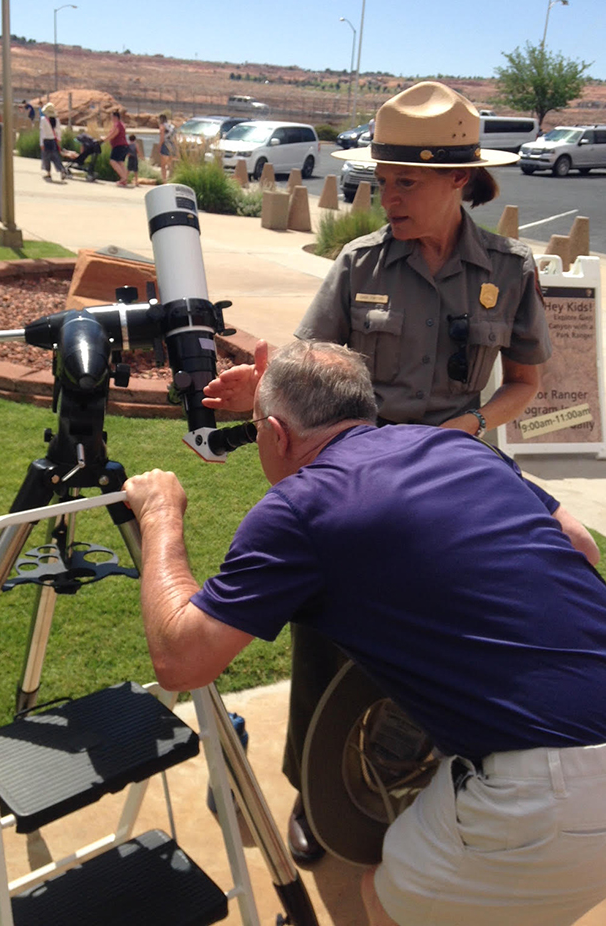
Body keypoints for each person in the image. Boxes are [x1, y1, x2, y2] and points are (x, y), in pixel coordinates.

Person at [125, 340, 606, 926]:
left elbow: (181, 659)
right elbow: (583, 546)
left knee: (381, 897)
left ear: (274, 433)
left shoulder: (299, 506)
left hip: (554, 796)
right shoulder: (456, 445)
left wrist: (160, 515)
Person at [203, 80, 554, 863]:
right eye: (381, 176)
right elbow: (301, 365)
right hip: (356, 487)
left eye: (406, 181)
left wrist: (470, 424)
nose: (383, 194)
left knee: (449, 646)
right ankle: (313, 795)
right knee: (329, 641)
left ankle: (418, 786)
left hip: (455, 484)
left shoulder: (507, 266)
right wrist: (253, 395)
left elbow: (526, 382)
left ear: (459, 180)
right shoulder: (360, 264)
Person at [39, 102, 66, 182]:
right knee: (56, 157)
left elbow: (42, 132)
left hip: (46, 141)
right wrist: (58, 139)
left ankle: (48, 173)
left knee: (46, 158)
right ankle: (61, 170)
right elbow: (58, 131)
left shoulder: (43, 120)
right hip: (53, 140)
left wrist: (41, 143)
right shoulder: (56, 120)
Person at [104, 109, 129, 186]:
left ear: (115, 117)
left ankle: (123, 177)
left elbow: (114, 134)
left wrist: (105, 139)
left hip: (119, 146)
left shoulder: (117, 125)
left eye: (112, 117)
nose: (111, 119)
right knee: (120, 163)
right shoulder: (121, 124)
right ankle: (124, 180)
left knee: (113, 161)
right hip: (123, 146)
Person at [158, 112, 176, 182]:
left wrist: (159, 146)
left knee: (163, 165)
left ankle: (164, 180)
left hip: (165, 145)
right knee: (170, 165)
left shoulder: (162, 126)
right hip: (172, 145)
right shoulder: (172, 126)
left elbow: (162, 138)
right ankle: (171, 179)